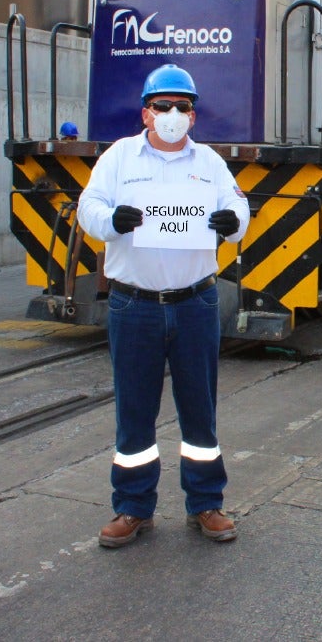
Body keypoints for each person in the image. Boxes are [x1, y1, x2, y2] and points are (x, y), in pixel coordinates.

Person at [76, 64, 249, 547]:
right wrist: (113, 220)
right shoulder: (118, 158)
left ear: (193, 116)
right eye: (163, 107)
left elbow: (240, 210)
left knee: (200, 410)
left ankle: (207, 503)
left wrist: (229, 220)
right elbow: (88, 208)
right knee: (134, 409)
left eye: (182, 108)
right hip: (135, 306)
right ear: (145, 114)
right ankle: (132, 508)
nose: (173, 115)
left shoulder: (210, 163)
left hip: (194, 302)